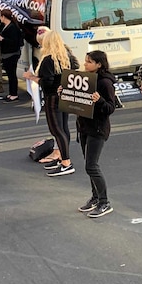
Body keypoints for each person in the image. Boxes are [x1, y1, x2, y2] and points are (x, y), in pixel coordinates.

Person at [66, 51, 118, 218]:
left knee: (91, 166)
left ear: (99, 64)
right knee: (89, 166)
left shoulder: (104, 83)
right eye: (85, 60)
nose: (85, 64)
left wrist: (99, 100)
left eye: (89, 62)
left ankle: (104, 201)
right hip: (84, 127)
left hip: (98, 129)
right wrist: (64, 92)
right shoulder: (85, 79)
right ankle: (95, 197)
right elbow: (75, 99)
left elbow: (110, 108)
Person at [24, 31, 77, 176]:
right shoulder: (68, 57)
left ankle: (66, 162)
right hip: (65, 94)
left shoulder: (48, 60)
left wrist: (33, 77)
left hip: (53, 97)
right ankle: (62, 157)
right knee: (64, 128)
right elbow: (75, 70)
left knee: (56, 130)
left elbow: (47, 83)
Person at [0, 9, 22, 102]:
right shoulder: (6, 26)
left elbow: (14, 42)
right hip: (6, 53)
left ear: (4, 17)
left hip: (12, 54)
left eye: (0, 16)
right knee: (9, 74)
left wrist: (1, 39)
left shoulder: (12, 27)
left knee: (12, 75)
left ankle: (14, 94)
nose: (0, 18)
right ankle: (11, 93)